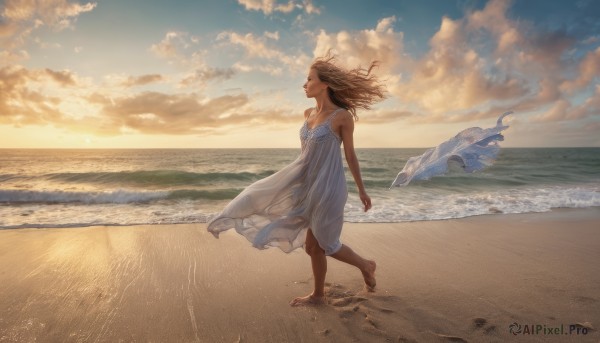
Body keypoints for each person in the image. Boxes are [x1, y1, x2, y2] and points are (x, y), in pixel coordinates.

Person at [207, 53, 386, 306]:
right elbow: (305, 157)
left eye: (309, 79)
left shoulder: (342, 117)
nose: (305, 84)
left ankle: (366, 266)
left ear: (324, 84)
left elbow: (351, 156)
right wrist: (291, 184)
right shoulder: (307, 114)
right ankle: (320, 294)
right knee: (312, 247)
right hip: (308, 187)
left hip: (329, 188)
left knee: (326, 244)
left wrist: (362, 191)